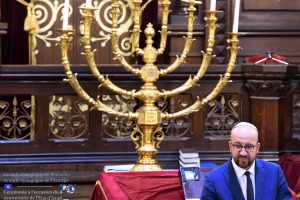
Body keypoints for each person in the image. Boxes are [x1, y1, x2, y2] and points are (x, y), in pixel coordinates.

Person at [200, 122, 292, 200]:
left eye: (249, 146)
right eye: (238, 146)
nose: (243, 153)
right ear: (230, 147)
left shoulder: (274, 173)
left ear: (257, 148)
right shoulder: (213, 180)